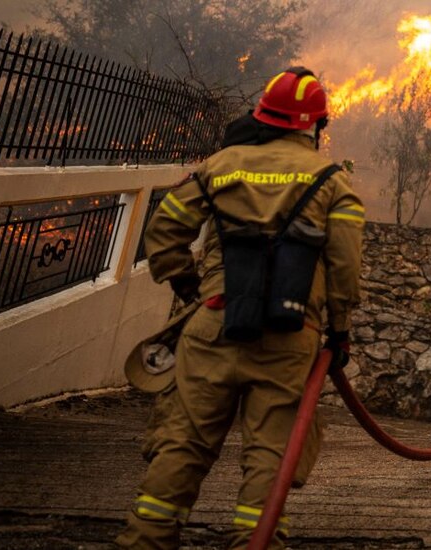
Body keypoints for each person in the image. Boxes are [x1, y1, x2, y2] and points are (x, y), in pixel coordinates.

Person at [116, 67, 365, 549]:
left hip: (214, 323)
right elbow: (344, 268)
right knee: (272, 449)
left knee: (184, 440)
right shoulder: (333, 183)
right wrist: (340, 330)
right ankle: (257, 538)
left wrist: (193, 290)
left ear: (263, 115)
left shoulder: (220, 166)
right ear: (315, 124)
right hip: (290, 335)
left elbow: (164, 238)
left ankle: (145, 538)